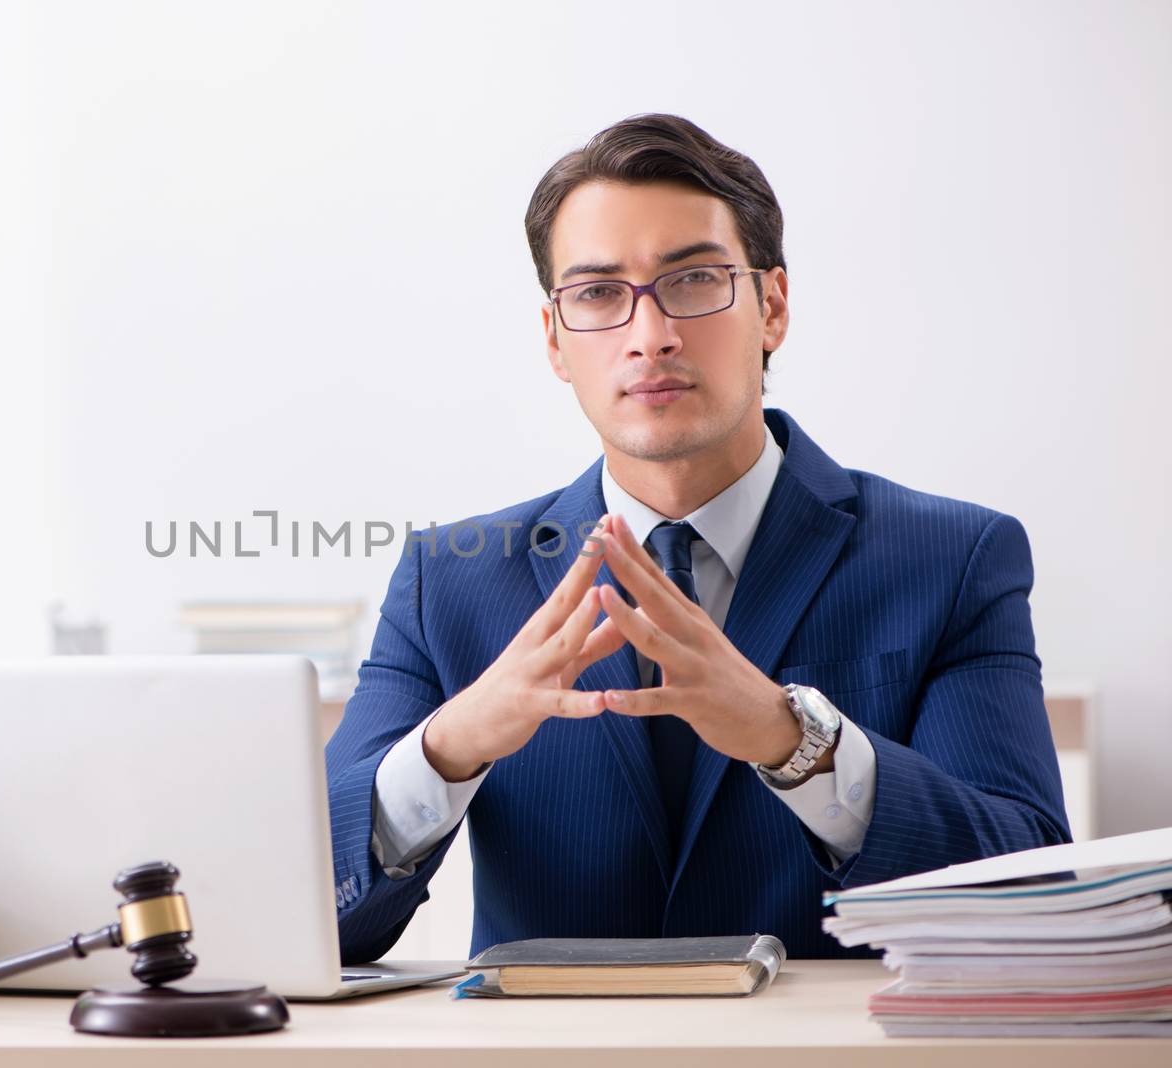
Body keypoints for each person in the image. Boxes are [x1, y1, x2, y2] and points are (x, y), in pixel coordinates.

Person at [324, 113, 1070, 962]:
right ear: (555, 341)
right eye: (598, 294)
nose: (651, 335)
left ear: (772, 308)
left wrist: (799, 745)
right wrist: (449, 747)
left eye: (693, 281)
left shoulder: (953, 560)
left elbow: (1028, 893)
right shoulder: (447, 582)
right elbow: (308, 916)